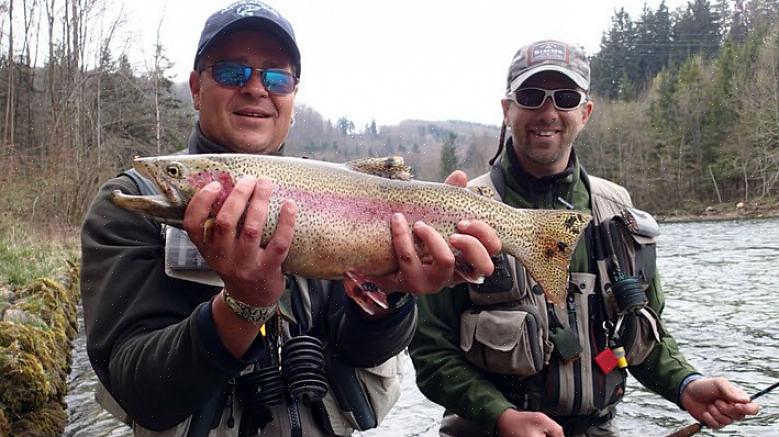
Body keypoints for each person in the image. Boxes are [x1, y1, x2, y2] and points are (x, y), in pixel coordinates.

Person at [80, 2, 500, 436]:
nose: (256, 89)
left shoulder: (330, 193)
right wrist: (244, 305)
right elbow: (137, 386)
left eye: (276, 77)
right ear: (196, 88)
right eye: (231, 72)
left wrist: (389, 295)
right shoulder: (127, 204)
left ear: (293, 98)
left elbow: (360, 350)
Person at [408, 39, 760, 437]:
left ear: (585, 112)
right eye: (530, 96)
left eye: (565, 97)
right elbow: (431, 352)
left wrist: (687, 385)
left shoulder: (618, 212)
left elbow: (643, 333)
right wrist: (502, 416)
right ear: (507, 110)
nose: (548, 112)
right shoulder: (458, 212)